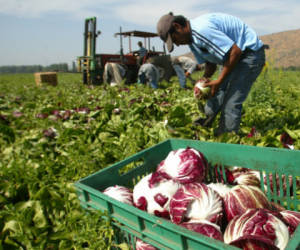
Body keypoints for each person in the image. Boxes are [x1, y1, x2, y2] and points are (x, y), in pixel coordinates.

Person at [157, 12, 265, 135]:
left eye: (175, 39)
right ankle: (204, 124)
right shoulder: (191, 40)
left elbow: (235, 51)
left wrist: (218, 81)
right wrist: (204, 80)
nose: (177, 44)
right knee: (216, 92)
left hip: (249, 54)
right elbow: (210, 64)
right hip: (231, 57)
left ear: (177, 27)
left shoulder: (201, 30)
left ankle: (226, 138)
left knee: (231, 101)